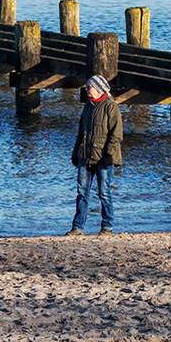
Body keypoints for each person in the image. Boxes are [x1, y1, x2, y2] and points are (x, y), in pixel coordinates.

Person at [67, 75, 123, 236]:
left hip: (103, 157)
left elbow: (116, 134)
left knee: (104, 193)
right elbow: (80, 133)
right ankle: (77, 227)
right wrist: (75, 153)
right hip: (85, 155)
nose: (86, 90)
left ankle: (107, 226)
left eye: (89, 87)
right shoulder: (88, 106)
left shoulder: (110, 107)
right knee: (82, 192)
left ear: (98, 89)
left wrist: (109, 155)